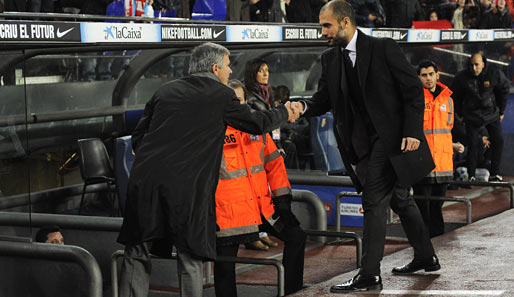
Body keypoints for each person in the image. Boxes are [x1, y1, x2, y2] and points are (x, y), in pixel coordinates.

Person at [116, 42, 297, 297]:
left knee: (136, 251)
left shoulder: (165, 91)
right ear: (214, 68)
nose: (230, 73)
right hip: (187, 188)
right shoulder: (221, 95)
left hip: (143, 182)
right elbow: (257, 124)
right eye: (227, 66)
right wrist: (284, 111)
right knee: (190, 255)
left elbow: (139, 138)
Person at [290, 0, 439, 292]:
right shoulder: (330, 59)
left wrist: (412, 131)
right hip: (362, 144)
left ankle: (369, 273)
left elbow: (413, 90)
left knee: (373, 201)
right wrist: (303, 105)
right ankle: (426, 256)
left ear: (345, 22)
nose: (322, 32)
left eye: (326, 25)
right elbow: (324, 99)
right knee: (400, 199)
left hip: (392, 139)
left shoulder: (382, 48)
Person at [214, 79, 306, 296]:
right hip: (229, 214)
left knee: (296, 237)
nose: (237, 105)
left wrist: (283, 203)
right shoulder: (213, 133)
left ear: (246, 102)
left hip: (261, 207)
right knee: (225, 264)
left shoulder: (259, 130)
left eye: (240, 101)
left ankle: (292, 292)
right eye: (232, 101)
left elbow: (275, 166)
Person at [451, 52, 509, 182]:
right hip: (472, 115)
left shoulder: (494, 73)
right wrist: (460, 114)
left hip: (491, 114)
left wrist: (501, 111)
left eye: (477, 65)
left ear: (483, 64)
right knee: (473, 144)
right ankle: (471, 175)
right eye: (471, 65)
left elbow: (504, 89)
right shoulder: (462, 77)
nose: (474, 68)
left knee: (498, 140)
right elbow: (455, 96)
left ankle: (494, 174)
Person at [414, 60, 455, 238]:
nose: (428, 78)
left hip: (443, 163)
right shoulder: (414, 99)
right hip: (422, 162)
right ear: (419, 77)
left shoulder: (448, 99)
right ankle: (422, 244)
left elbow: (448, 129)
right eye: (424, 75)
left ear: (437, 75)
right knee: (422, 207)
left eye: (431, 74)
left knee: (437, 207)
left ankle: (438, 241)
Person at [244, 58, 300, 170]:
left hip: (270, 140)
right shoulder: (247, 95)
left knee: (290, 147)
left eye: (267, 70)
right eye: (261, 71)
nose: (266, 74)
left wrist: (277, 144)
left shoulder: (268, 93)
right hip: (256, 142)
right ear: (252, 73)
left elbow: (276, 125)